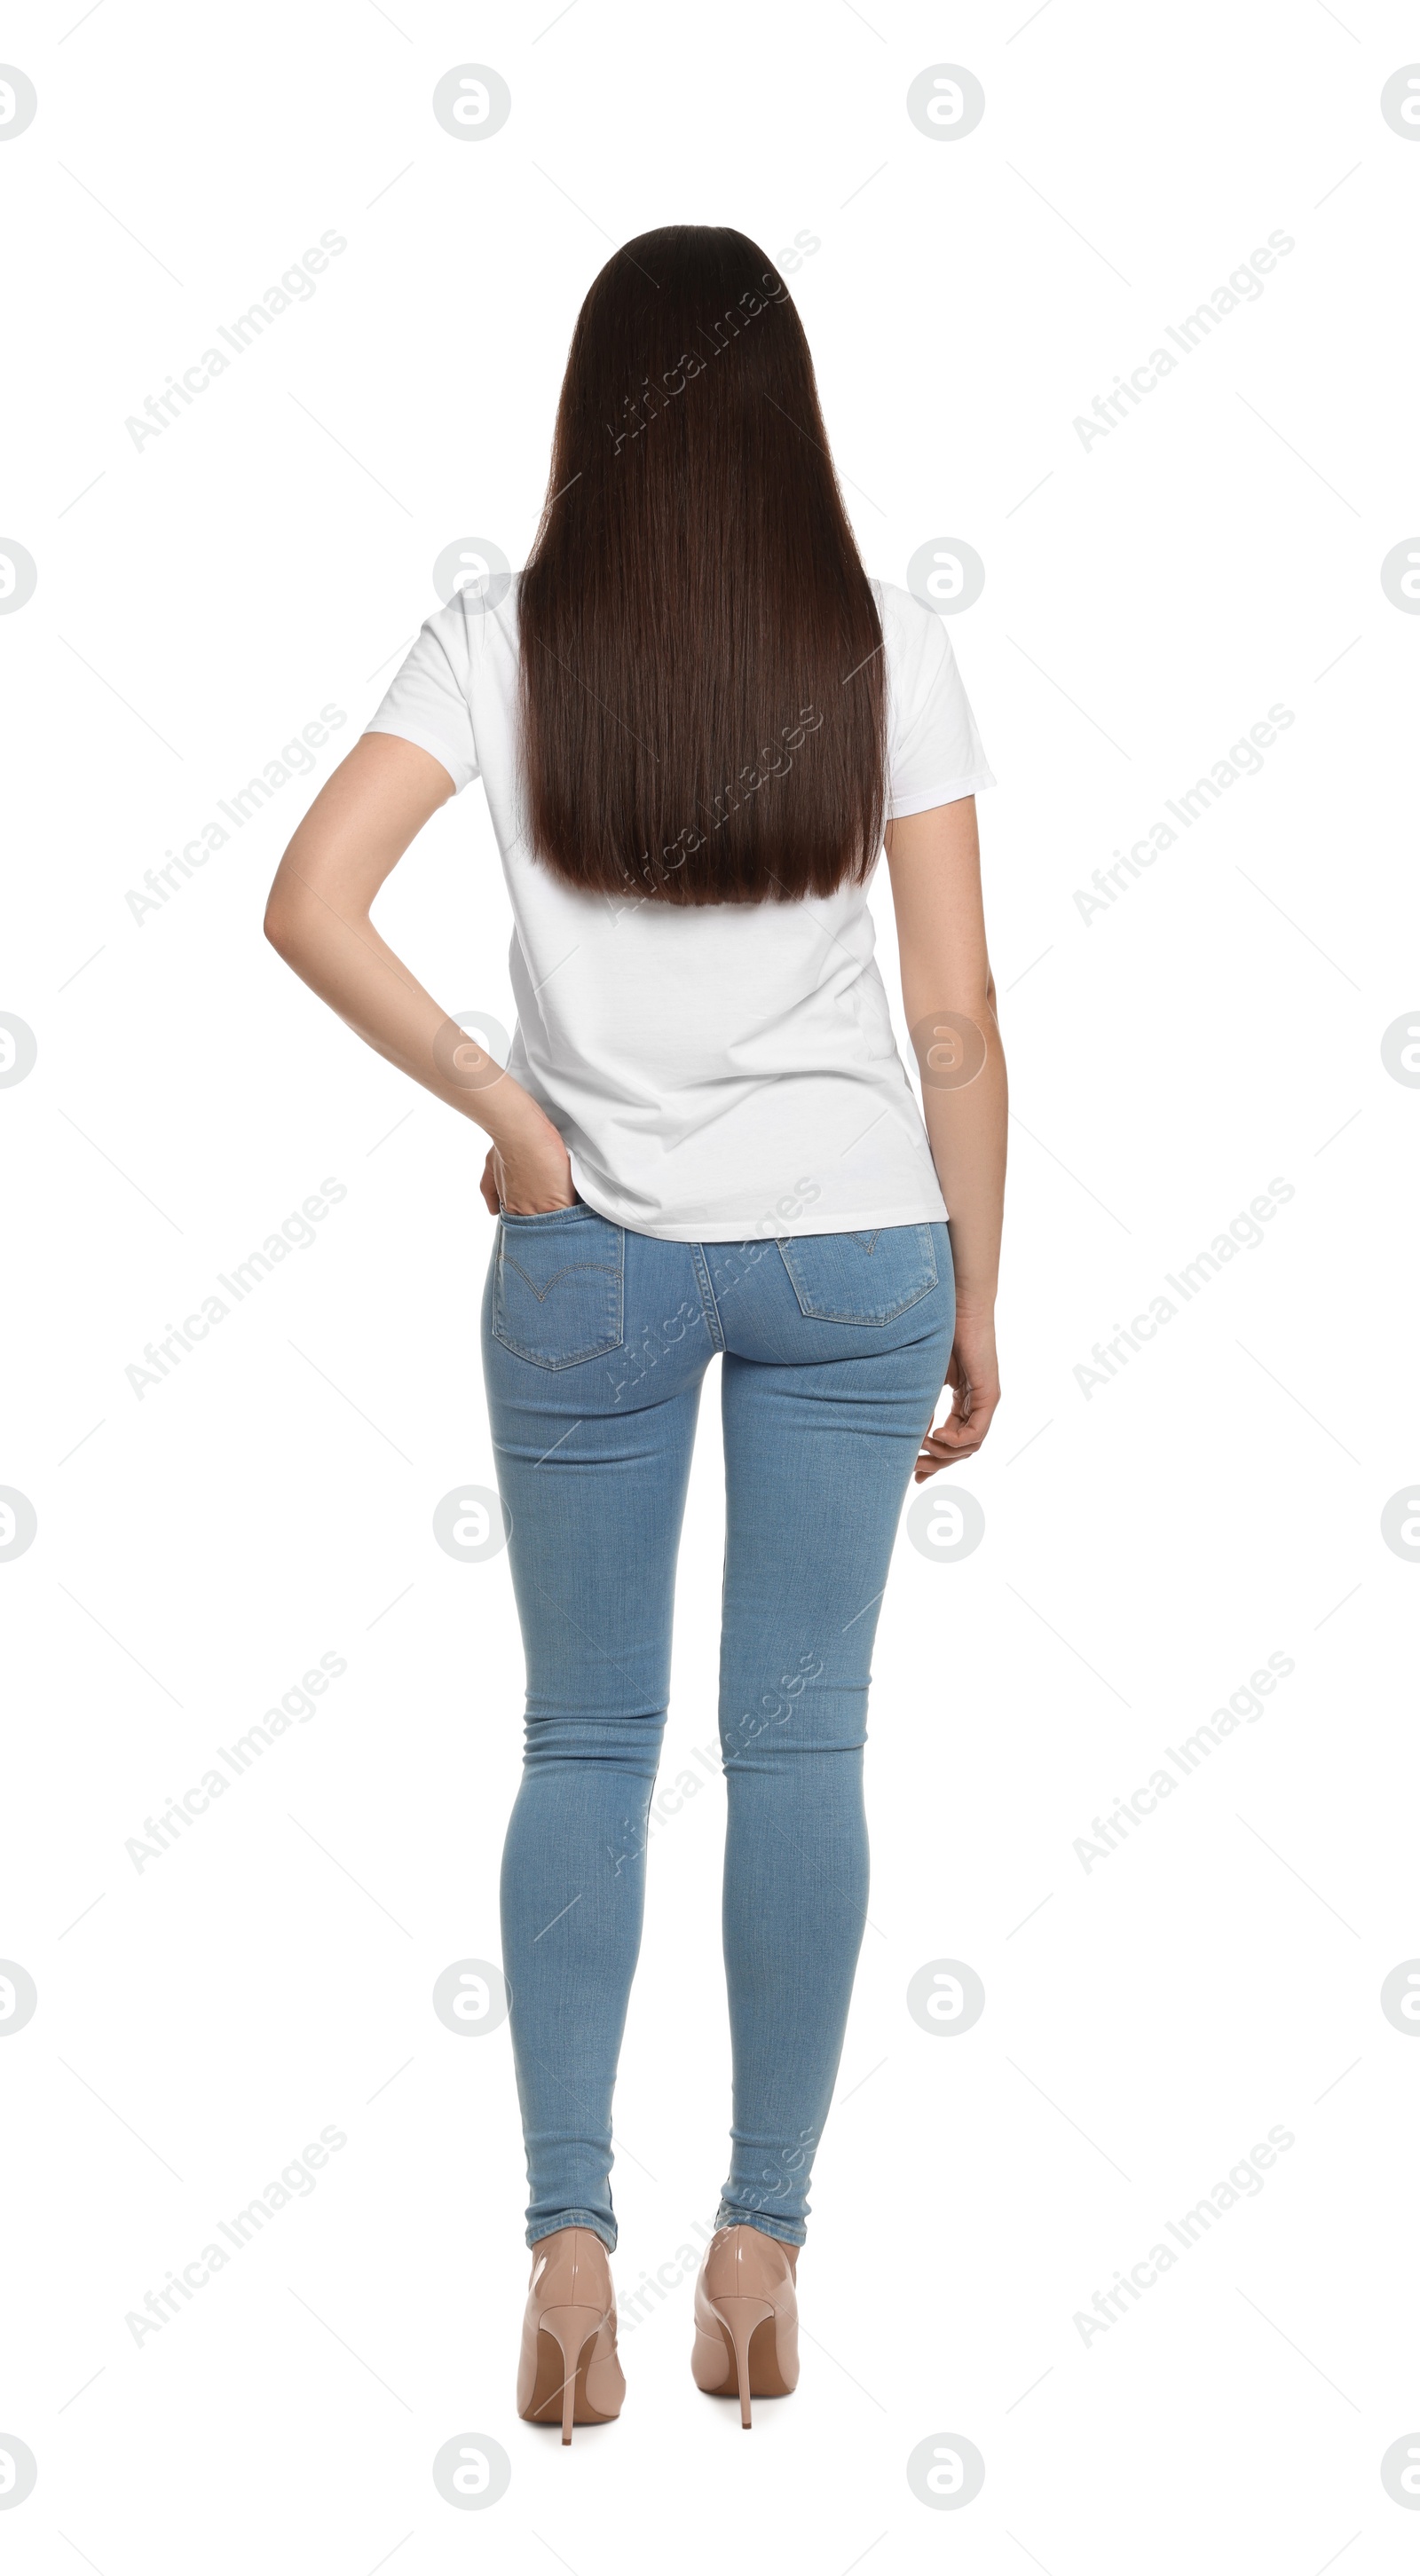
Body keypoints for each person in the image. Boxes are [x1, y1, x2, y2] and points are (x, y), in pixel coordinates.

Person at [264, 223, 1006, 2440]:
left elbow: (307, 901)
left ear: (590, 413)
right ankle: (759, 2255)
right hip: (850, 1251)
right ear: (791, 415)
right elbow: (952, 1015)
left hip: (581, 1246)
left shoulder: (494, 636)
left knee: (582, 1746)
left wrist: (503, 1107)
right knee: (802, 1754)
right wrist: (976, 1292)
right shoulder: (876, 640)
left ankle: (567, 2253)